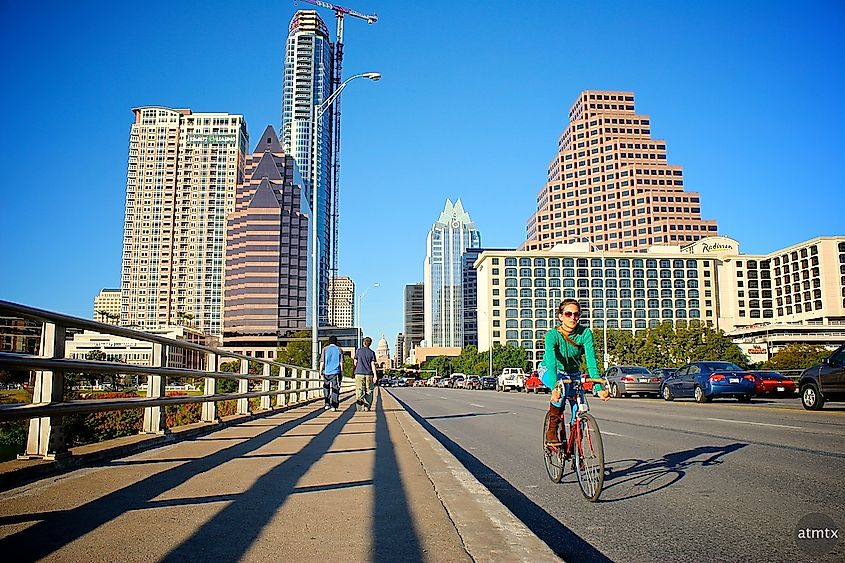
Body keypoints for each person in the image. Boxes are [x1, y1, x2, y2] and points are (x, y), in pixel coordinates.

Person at [540, 298, 609, 446]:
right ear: (560, 316)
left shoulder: (585, 333)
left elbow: (591, 361)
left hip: (573, 373)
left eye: (576, 314)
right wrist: (554, 388)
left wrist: (598, 387)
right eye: (568, 314)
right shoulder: (552, 335)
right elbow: (551, 364)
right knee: (560, 393)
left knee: (580, 409)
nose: (573, 317)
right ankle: (551, 431)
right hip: (550, 370)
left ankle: (576, 447)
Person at [353, 336, 378, 411]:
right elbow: (372, 364)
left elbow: (355, 362)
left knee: (359, 389)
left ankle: (360, 404)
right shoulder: (372, 352)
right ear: (370, 344)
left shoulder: (358, 351)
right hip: (368, 374)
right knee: (369, 390)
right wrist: (375, 376)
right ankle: (367, 407)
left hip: (359, 373)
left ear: (363, 343)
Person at [320, 335, 342, 412]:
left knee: (326, 387)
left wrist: (320, 371)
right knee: (335, 388)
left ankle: (327, 403)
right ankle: (334, 405)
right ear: (336, 342)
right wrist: (341, 372)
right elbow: (341, 363)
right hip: (335, 372)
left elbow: (322, 361)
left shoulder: (325, 349)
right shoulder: (339, 349)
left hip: (326, 372)